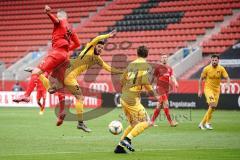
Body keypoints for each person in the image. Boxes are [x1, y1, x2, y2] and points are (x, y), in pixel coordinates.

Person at [37, 30, 124, 132]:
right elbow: (96, 39)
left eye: (102, 48)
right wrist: (108, 35)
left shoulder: (98, 59)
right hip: (69, 76)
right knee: (80, 98)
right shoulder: (89, 48)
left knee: (52, 90)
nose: (100, 49)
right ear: (95, 46)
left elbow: (107, 67)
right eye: (99, 46)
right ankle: (80, 123)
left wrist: (120, 72)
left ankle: (40, 76)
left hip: (68, 75)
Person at [13, 5, 80, 103]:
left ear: (61, 16)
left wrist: (49, 13)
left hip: (57, 53)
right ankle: (62, 108)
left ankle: (26, 95)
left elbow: (56, 21)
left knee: (36, 72)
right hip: (65, 56)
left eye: (58, 16)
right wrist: (66, 49)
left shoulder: (60, 21)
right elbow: (77, 44)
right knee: (54, 78)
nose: (57, 17)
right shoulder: (71, 29)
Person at [114, 46, 159, 153]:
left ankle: (119, 147)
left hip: (124, 97)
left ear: (137, 53)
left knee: (134, 124)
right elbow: (145, 82)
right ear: (147, 55)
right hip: (132, 99)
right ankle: (127, 139)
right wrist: (156, 96)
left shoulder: (131, 64)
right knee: (147, 122)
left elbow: (121, 80)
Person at [198, 54, 230, 130]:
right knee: (212, 104)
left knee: (213, 107)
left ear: (218, 60)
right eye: (213, 60)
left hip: (217, 90)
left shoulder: (221, 68)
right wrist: (199, 90)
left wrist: (227, 85)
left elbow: (227, 78)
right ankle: (204, 123)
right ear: (211, 60)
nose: (214, 61)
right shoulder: (206, 68)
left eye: (216, 60)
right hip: (208, 89)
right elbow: (200, 79)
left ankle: (204, 123)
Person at [150, 54, 178, 127]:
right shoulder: (158, 68)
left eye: (166, 57)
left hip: (166, 89)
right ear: (161, 59)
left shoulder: (169, 68)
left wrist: (175, 82)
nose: (164, 59)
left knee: (159, 105)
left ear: (167, 59)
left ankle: (151, 122)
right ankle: (171, 122)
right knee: (166, 103)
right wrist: (151, 85)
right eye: (163, 58)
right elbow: (153, 77)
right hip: (160, 88)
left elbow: (172, 76)